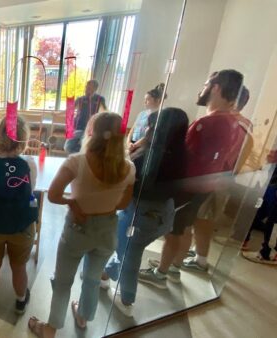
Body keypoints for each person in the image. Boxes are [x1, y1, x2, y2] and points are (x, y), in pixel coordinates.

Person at [28, 112, 135, 336]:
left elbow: (54, 195)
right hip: (107, 229)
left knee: (63, 281)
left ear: (91, 132)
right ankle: (83, 317)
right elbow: (123, 202)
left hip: (79, 226)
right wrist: (103, 204)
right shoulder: (128, 167)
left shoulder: (77, 161)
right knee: (93, 278)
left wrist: (74, 203)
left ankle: (50, 329)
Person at [141, 70, 251, 286]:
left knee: (174, 231)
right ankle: (173, 266)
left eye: (206, 84)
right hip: (204, 185)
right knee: (185, 227)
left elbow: (189, 158)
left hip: (189, 186)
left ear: (216, 88)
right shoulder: (233, 122)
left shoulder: (212, 123)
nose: (202, 89)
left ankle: (161, 273)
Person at [104, 108, 188, 316]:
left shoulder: (149, 156)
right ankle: (106, 275)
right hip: (164, 215)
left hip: (140, 215)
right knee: (125, 249)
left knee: (130, 256)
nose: (148, 128)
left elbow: (125, 184)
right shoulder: (182, 155)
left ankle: (126, 301)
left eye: (152, 125)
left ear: (157, 129)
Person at [0, 116, 38, 315]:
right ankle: (21, 301)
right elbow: (31, 189)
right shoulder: (29, 164)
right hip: (22, 223)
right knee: (19, 267)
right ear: (24, 138)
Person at [63, 79, 107, 154]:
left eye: (89, 88)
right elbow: (70, 109)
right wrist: (57, 114)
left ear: (95, 89)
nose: (86, 89)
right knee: (67, 147)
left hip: (90, 130)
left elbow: (105, 111)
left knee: (85, 148)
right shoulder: (80, 99)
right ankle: (78, 156)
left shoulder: (100, 99)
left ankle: (80, 157)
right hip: (77, 128)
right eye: (86, 87)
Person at [127, 83, 166, 154]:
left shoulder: (159, 116)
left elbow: (148, 137)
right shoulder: (141, 114)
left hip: (143, 147)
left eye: (147, 100)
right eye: (144, 99)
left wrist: (134, 146)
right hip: (132, 145)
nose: (145, 102)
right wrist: (128, 142)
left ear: (157, 101)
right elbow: (132, 130)